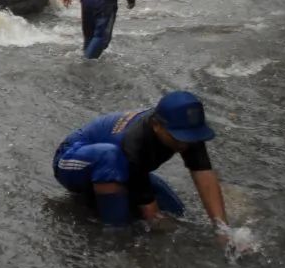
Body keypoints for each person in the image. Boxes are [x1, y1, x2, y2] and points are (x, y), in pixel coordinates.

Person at [53, 91, 232, 236]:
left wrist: (222, 229)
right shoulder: (135, 141)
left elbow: (204, 175)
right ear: (156, 125)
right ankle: (115, 233)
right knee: (110, 158)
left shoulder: (186, 131)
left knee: (177, 213)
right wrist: (157, 228)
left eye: (190, 138)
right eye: (178, 137)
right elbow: (151, 213)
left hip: (125, 168)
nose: (184, 144)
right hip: (72, 160)